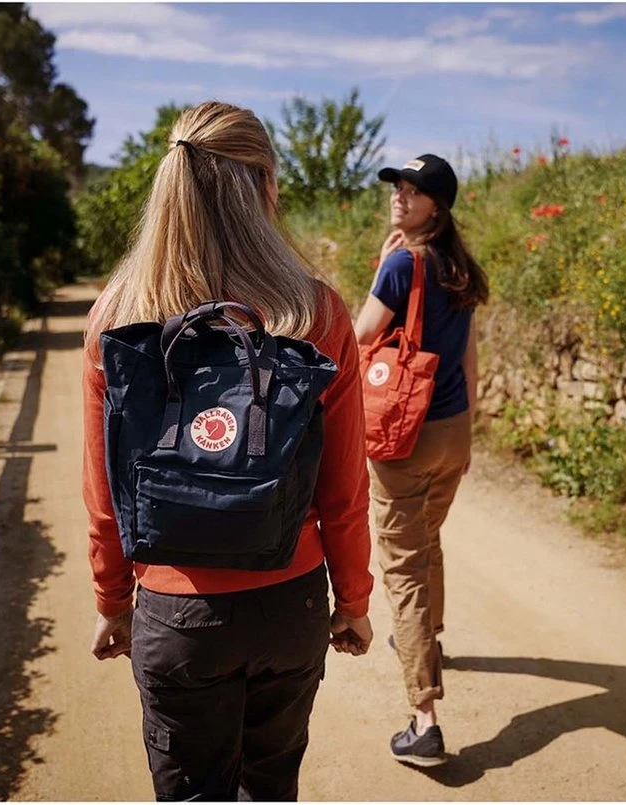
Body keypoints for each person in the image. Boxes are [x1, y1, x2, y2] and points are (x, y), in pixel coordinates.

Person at [82, 101, 374, 801]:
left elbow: (106, 492)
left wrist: (112, 599)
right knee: (271, 786)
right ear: (266, 185)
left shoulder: (118, 316)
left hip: (177, 613)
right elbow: (343, 486)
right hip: (289, 603)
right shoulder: (315, 311)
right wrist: (353, 598)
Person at [354, 154, 488, 767]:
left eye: (413, 191)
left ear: (438, 206)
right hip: (452, 430)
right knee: (427, 538)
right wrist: (469, 430)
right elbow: (469, 357)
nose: (399, 197)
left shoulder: (401, 264)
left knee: (403, 568)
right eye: (397, 188)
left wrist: (382, 270)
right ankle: (428, 639)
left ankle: (424, 719)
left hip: (403, 433)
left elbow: (360, 335)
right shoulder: (459, 266)